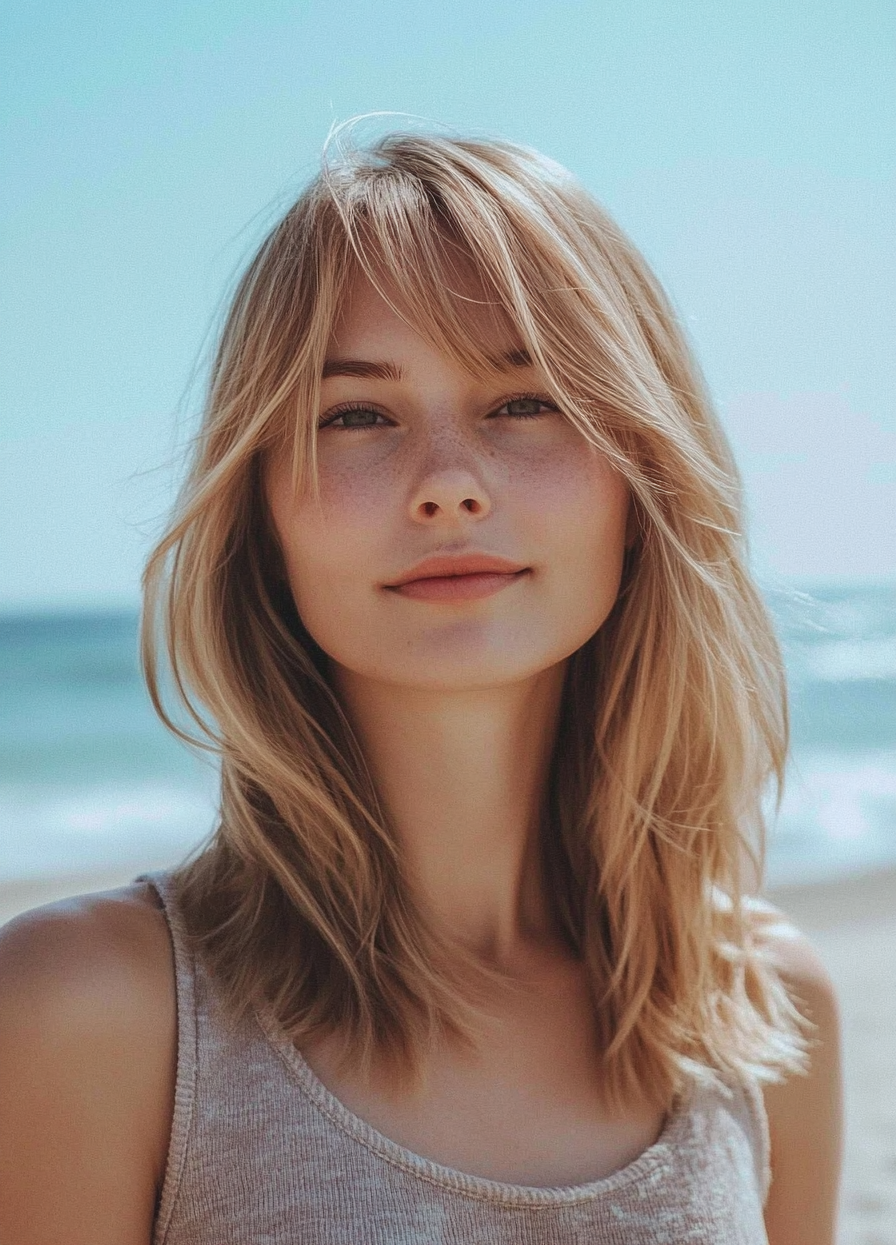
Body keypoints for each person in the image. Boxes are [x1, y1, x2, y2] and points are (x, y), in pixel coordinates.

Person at [0, 130, 841, 1244]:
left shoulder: (764, 1014)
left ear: (641, 475)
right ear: (260, 511)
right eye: (355, 415)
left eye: (523, 401)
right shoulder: (88, 1008)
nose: (447, 483)